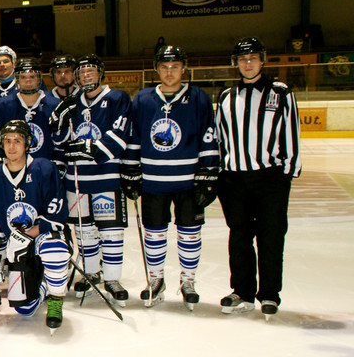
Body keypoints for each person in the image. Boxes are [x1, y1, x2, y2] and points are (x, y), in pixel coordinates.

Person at [123, 45, 218, 308]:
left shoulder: (198, 97)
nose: (169, 72)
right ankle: (156, 280)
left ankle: (188, 281)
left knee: (189, 234)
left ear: (184, 69)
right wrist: (131, 169)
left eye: (175, 66)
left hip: (188, 181)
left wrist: (209, 174)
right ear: (156, 69)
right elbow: (135, 136)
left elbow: (208, 135)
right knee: (154, 234)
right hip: (153, 181)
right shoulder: (143, 99)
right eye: (164, 67)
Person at [214, 37, 301, 315]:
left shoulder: (280, 92)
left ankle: (269, 294)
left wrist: (287, 173)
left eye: (252, 58)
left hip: (269, 179)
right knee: (239, 235)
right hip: (234, 180)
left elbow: (292, 132)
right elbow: (220, 139)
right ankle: (242, 291)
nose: (247, 63)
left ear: (262, 60)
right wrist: (219, 174)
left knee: (270, 236)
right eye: (242, 59)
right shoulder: (227, 97)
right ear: (235, 63)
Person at [50, 54, 133, 306]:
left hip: (107, 177)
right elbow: (59, 141)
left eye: (91, 71)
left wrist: (88, 149)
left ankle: (112, 278)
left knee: (111, 231)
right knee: (83, 231)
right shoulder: (71, 102)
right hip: (77, 179)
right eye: (82, 72)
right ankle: (92, 272)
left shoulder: (117, 98)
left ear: (100, 73)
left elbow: (119, 137)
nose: (86, 76)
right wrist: (61, 121)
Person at [0, 120, 70, 331]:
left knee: (54, 248)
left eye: (18, 141)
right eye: (7, 141)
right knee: (24, 309)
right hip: (17, 249)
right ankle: (45, 285)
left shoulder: (44, 168)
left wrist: (28, 235)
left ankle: (56, 299)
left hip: (43, 237)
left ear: (27, 144)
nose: (12, 146)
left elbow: (57, 215)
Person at [0, 57, 55, 162]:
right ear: (17, 79)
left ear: (39, 79)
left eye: (32, 77)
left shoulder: (54, 105)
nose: (28, 81)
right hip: (13, 166)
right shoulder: (2, 105)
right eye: (23, 77)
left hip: (45, 166)